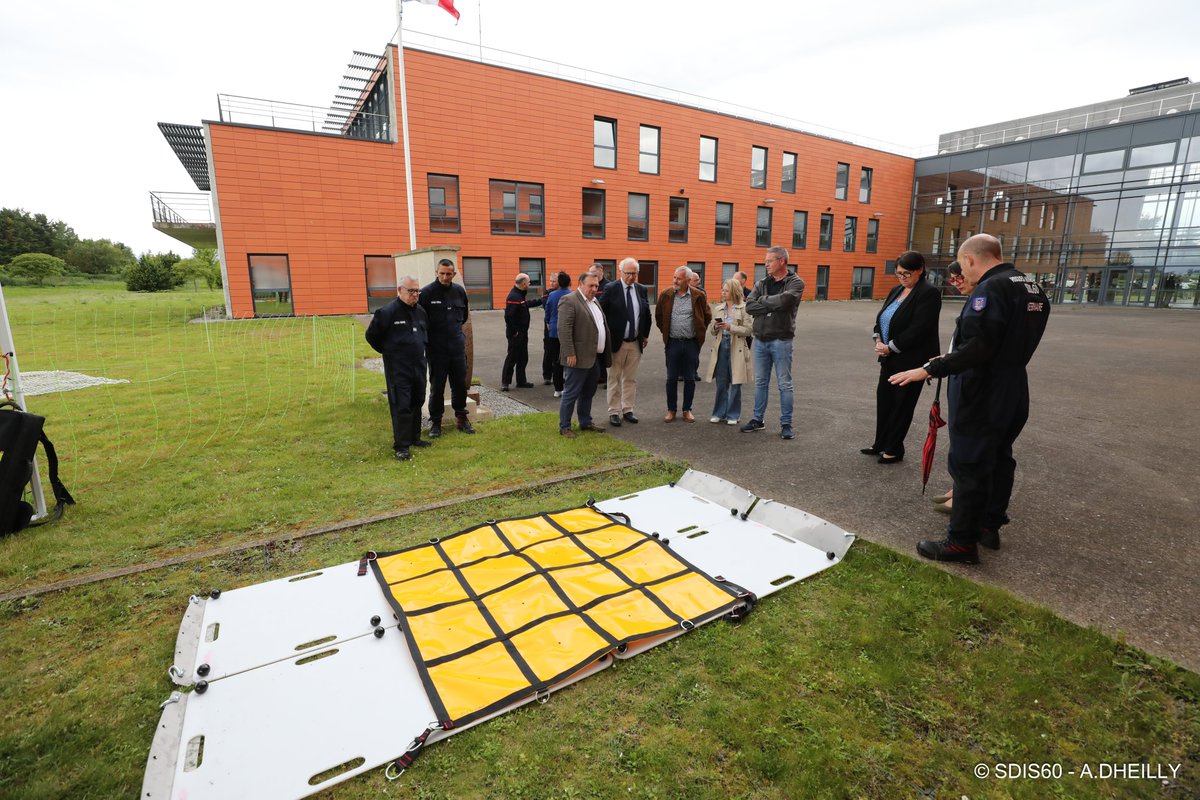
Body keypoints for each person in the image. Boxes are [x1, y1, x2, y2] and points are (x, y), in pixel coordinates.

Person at [890, 234, 1050, 564]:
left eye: (962, 265)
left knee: (969, 463)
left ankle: (961, 542)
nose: (962, 272)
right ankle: (989, 525)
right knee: (999, 456)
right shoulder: (1031, 286)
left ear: (971, 260)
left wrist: (931, 367)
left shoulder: (991, 289)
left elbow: (979, 346)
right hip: (1013, 386)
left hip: (982, 390)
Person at [861, 251, 941, 464]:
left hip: (912, 362)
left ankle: (894, 449)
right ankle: (880, 443)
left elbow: (919, 329)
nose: (902, 278)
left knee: (902, 406)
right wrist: (877, 338)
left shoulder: (929, 293)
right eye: (899, 274)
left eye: (907, 273)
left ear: (920, 270)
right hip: (889, 358)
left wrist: (891, 347)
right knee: (884, 401)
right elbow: (882, 318)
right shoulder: (896, 290)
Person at [365, 276, 430, 461]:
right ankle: (401, 446)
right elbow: (372, 336)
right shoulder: (387, 313)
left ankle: (415, 437)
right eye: (411, 291)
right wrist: (389, 353)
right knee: (402, 405)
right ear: (399, 290)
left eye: (418, 291)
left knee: (418, 400)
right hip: (398, 368)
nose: (415, 294)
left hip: (418, 365)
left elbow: (426, 335)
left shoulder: (421, 312)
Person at [742, 246, 804, 439]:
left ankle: (786, 424)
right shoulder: (762, 282)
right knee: (761, 382)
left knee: (785, 384)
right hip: (760, 340)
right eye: (766, 261)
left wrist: (763, 301)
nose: (766, 264)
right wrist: (771, 305)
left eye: (769, 261)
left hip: (781, 341)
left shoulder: (795, 282)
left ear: (782, 261)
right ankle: (757, 419)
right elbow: (750, 306)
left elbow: (786, 302)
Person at [419, 258, 474, 438]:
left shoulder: (459, 292)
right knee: (437, 386)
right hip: (437, 349)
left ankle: (462, 418)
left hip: (457, 347)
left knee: (459, 384)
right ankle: (436, 422)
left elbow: (464, 315)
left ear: (454, 274)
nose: (444, 277)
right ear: (436, 272)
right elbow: (421, 320)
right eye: (441, 273)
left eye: (448, 274)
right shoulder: (427, 293)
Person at [557, 270, 612, 438]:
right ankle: (565, 426)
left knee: (588, 392)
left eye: (596, 285)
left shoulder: (595, 302)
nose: (594, 288)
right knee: (571, 393)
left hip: (594, 357)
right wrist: (570, 353)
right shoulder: (569, 300)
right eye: (591, 285)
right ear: (580, 284)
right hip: (577, 358)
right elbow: (564, 330)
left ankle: (585, 422)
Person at [654, 266, 712, 423]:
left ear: (687, 280)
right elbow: (659, 316)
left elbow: (707, 316)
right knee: (671, 378)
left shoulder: (699, 295)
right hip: (672, 342)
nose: (675, 281)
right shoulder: (665, 295)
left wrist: (699, 331)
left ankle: (687, 410)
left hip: (691, 343)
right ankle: (671, 410)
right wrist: (666, 331)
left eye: (678, 278)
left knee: (690, 378)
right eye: (674, 277)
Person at [599, 257, 651, 426]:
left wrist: (644, 335)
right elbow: (601, 313)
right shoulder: (611, 288)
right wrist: (605, 336)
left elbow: (646, 314)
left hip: (635, 342)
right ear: (620, 272)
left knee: (630, 378)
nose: (632, 277)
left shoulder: (641, 289)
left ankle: (628, 409)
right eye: (628, 273)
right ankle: (614, 411)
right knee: (614, 377)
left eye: (635, 273)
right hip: (616, 342)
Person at [702, 279, 753, 425]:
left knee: (736, 382)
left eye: (726, 290)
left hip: (737, 347)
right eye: (722, 290)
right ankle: (719, 413)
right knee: (721, 382)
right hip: (721, 347)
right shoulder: (718, 308)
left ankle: (733, 415)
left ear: (734, 291)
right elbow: (712, 331)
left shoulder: (744, 308)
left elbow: (749, 330)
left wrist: (730, 327)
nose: (722, 292)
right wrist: (717, 326)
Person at [501, 273, 543, 391]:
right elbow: (509, 317)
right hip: (516, 334)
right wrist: (515, 332)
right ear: (524, 283)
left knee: (523, 357)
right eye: (529, 282)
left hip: (522, 333)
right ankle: (505, 382)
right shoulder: (513, 297)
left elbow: (526, 304)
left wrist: (540, 301)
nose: (530, 284)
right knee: (512, 357)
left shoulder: (520, 295)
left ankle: (521, 381)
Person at [544, 272, 572, 398]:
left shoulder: (552, 295)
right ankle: (568, 387)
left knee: (556, 361)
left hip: (554, 331)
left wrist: (549, 323)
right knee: (568, 360)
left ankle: (557, 389)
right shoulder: (573, 295)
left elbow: (547, 313)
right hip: (569, 332)